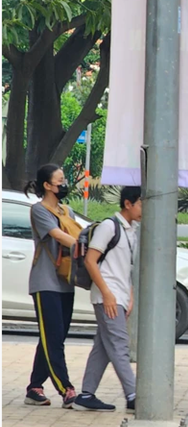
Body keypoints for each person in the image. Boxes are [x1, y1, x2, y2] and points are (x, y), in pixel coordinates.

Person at [73, 187, 142, 413]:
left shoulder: (132, 230)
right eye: (141, 204)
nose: (144, 210)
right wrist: (108, 294)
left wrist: (129, 296)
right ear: (128, 204)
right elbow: (91, 261)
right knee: (120, 345)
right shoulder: (109, 226)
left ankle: (86, 395)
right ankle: (132, 395)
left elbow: (126, 268)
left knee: (103, 347)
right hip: (107, 296)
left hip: (118, 296)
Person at [23, 164, 83, 408]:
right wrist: (83, 246)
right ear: (47, 185)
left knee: (52, 338)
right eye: (60, 181)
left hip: (65, 282)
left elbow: (76, 232)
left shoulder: (65, 209)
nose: (64, 184)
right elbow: (59, 236)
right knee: (54, 337)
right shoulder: (39, 210)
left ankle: (34, 387)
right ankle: (66, 389)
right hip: (45, 282)